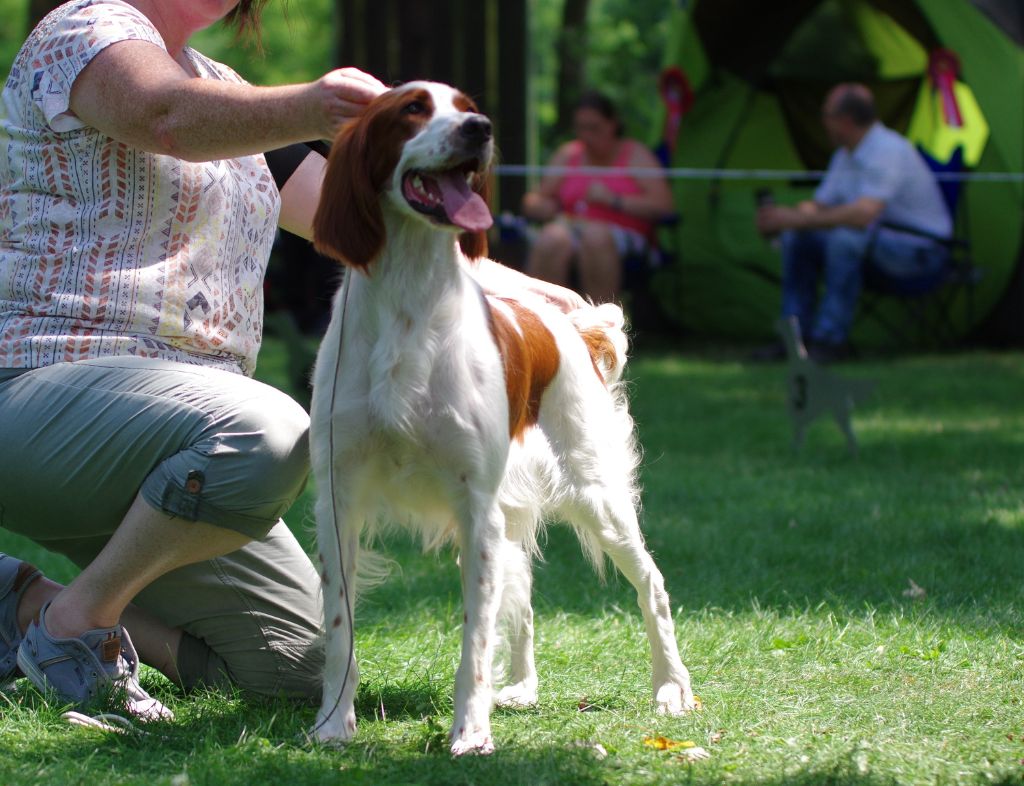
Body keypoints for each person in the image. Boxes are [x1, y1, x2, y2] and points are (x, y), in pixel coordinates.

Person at [0, 0, 583, 719]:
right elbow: (165, 117)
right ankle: (73, 631)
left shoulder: (228, 93)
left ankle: (22, 607)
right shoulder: (83, 30)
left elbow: (380, 235)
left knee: (297, 669)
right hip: (39, 394)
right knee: (272, 432)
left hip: (179, 447)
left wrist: (546, 298)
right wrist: (313, 106)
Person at [755, 83, 952, 362]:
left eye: (826, 116)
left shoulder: (888, 150)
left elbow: (863, 215)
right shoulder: (845, 155)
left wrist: (798, 219)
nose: (822, 123)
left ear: (844, 120)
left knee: (844, 239)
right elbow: (820, 204)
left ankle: (830, 341)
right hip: (875, 246)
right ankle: (794, 338)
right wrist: (787, 217)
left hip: (920, 254)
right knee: (798, 238)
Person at [521, 91, 675, 303]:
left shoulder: (635, 154)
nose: (586, 136)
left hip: (626, 234)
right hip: (571, 226)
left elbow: (665, 206)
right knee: (551, 237)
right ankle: (543, 321)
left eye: (594, 128)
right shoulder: (569, 154)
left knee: (595, 236)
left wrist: (615, 200)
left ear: (612, 124)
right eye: (581, 128)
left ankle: (599, 326)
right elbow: (533, 200)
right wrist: (544, 207)